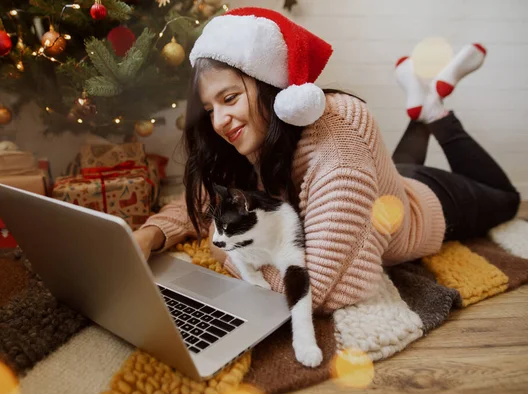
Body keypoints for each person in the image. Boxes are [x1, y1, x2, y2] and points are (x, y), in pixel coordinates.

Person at [133, 7, 521, 313]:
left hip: (436, 203)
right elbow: (201, 205)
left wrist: (229, 252)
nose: (218, 122)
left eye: (230, 98)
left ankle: (437, 114)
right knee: (388, 170)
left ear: (273, 86)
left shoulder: (337, 149)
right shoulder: (260, 139)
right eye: (209, 107)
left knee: (506, 198)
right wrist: (149, 236)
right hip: (383, 186)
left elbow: (317, 292)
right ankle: (423, 109)